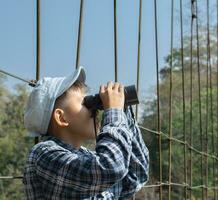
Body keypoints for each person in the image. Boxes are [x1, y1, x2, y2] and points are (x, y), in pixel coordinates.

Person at [22, 66, 149, 199]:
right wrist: (113, 112)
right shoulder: (44, 154)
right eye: (84, 102)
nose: (93, 108)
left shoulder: (87, 156)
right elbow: (111, 168)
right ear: (61, 118)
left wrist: (123, 111)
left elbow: (136, 176)